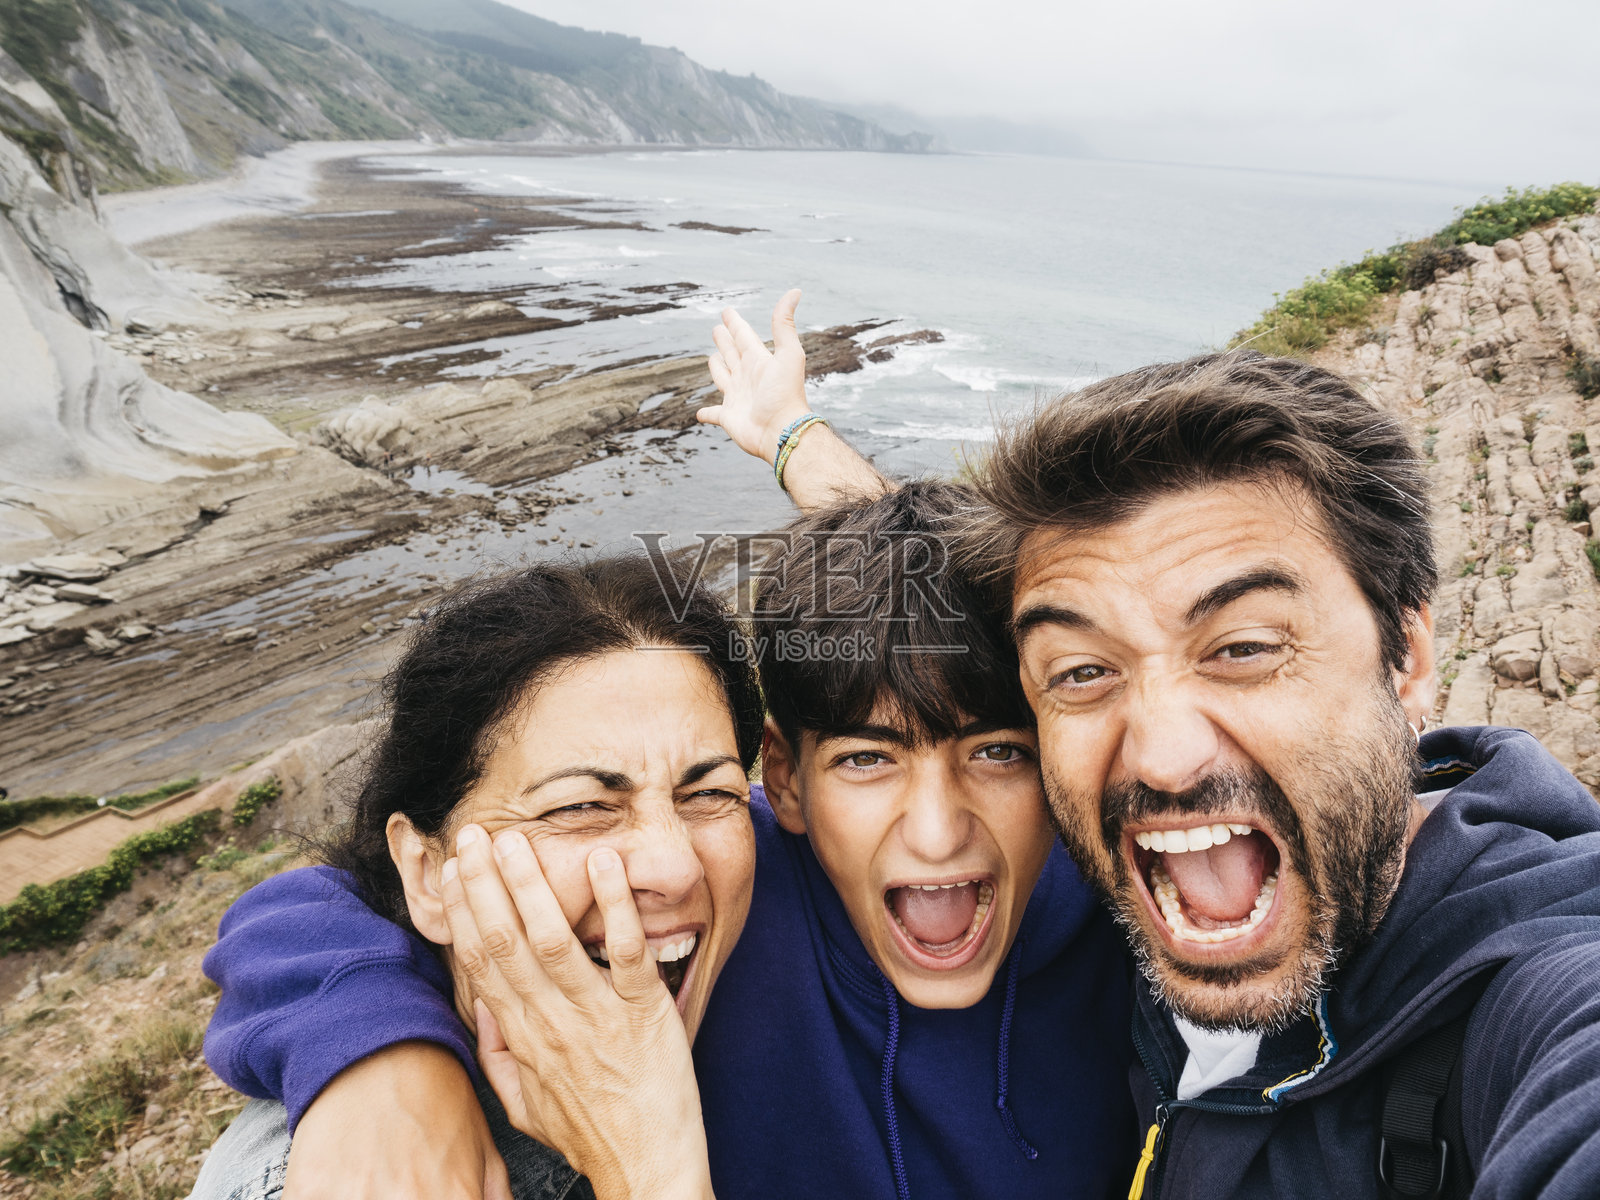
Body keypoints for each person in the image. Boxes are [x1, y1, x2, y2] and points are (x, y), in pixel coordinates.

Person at [448, 320, 1600, 1198]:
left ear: (1406, 657)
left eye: (1243, 648)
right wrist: (380, 1080)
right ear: (782, 779)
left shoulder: (1532, 999)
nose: (1159, 751)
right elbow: (341, 908)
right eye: (1084, 675)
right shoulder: (728, 882)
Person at [195, 470, 1136, 1191]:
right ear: (789, 779)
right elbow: (312, 909)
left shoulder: (1126, 910)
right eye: (864, 758)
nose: (668, 862)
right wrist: (381, 1057)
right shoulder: (761, 878)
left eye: (1000, 753)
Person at [189, 555, 765, 1200]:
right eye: (578, 807)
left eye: (709, 793)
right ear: (428, 873)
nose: (676, 867)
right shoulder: (354, 1175)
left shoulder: (781, 871)